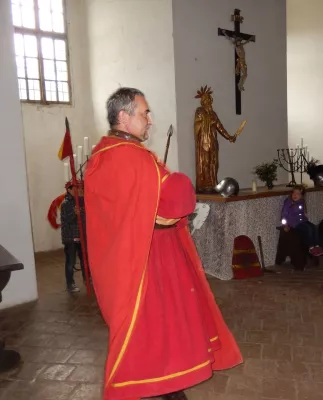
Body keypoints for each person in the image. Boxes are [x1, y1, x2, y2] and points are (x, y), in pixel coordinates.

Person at [84, 88, 242, 400]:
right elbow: (178, 200)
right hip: (152, 257)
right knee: (160, 324)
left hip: (121, 260)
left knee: (142, 328)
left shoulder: (99, 158)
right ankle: (160, 384)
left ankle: (152, 384)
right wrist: (179, 180)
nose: (150, 121)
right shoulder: (135, 158)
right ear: (124, 117)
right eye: (144, 113)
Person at [281, 185, 323, 257]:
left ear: (301, 196)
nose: (295, 195)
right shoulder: (288, 202)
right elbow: (284, 215)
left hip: (303, 221)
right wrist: (285, 225)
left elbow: (303, 212)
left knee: (314, 227)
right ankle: (311, 247)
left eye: (298, 194)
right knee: (309, 229)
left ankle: (317, 246)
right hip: (294, 223)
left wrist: (305, 216)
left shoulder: (301, 202)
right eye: (294, 193)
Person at [60, 180, 88, 292]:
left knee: (84, 260)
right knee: (70, 262)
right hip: (71, 237)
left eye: (81, 188)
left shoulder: (82, 201)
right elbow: (66, 220)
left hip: (81, 236)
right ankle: (70, 284)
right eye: (76, 188)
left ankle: (87, 278)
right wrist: (74, 214)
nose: (79, 190)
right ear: (69, 190)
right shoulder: (66, 203)